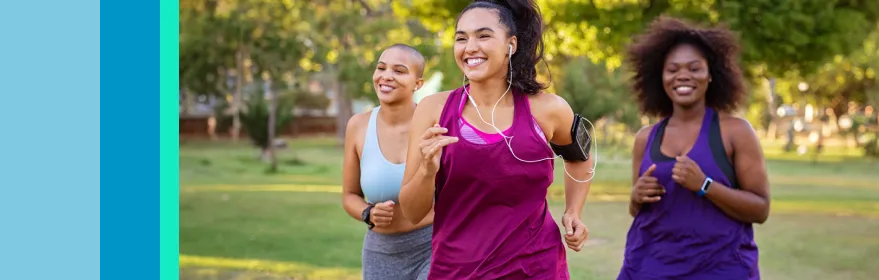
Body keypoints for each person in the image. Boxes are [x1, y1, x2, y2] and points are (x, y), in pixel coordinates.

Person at [398, 1, 594, 279]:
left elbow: (580, 158)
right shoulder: (432, 111)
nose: (470, 47)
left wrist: (574, 211)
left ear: (510, 45)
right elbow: (412, 212)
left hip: (536, 268)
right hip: (457, 270)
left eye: (484, 35)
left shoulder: (549, 109)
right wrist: (427, 171)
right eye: (461, 38)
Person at [618, 17, 770, 280]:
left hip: (720, 269)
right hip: (649, 267)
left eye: (694, 68)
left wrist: (704, 184)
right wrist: (635, 197)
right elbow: (637, 210)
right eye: (673, 69)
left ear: (711, 74)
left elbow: (760, 209)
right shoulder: (646, 138)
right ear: (661, 77)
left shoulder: (735, 132)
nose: (683, 76)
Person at [341, 43, 433, 280]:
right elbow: (349, 195)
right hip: (380, 252)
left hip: (433, 246)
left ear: (418, 83)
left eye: (399, 71)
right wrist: (367, 213)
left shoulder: (434, 124)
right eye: (381, 68)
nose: (386, 76)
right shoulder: (358, 126)